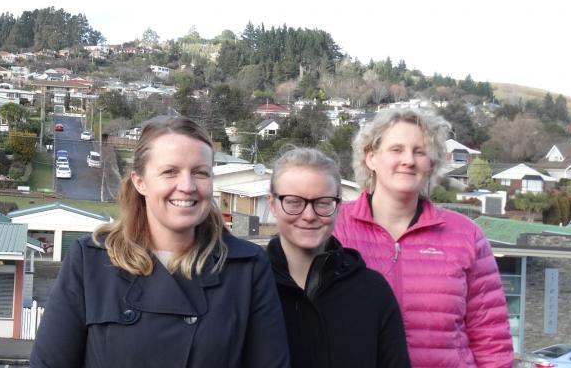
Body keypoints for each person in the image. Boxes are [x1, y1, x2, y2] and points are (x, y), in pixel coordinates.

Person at [30, 117, 290, 368]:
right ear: (140, 182)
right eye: (170, 172)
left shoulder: (247, 267)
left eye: (200, 173)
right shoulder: (91, 261)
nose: (187, 186)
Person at [333, 108, 514, 368]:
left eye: (419, 152)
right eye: (397, 149)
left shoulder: (466, 236)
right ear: (371, 157)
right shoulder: (334, 229)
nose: (409, 160)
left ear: (431, 163)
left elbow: (492, 340)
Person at [267, 147, 410, 368]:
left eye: (323, 203)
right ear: (272, 204)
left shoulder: (372, 291)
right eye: (294, 202)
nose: (309, 216)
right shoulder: (248, 285)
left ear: (338, 206)